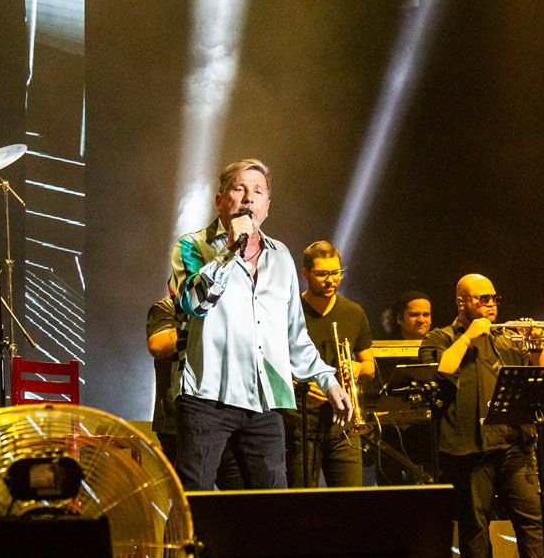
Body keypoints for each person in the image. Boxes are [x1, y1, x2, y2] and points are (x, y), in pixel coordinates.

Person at [168, 159, 352, 491]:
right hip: (206, 397)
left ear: (267, 206)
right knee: (193, 501)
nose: (249, 197)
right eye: (239, 188)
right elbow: (194, 304)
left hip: (263, 400)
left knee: (272, 505)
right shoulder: (192, 246)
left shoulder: (280, 256)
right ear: (221, 200)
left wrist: (329, 381)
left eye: (258, 191)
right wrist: (228, 251)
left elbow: (295, 335)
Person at [419, 274, 544, 558]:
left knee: (532, 521)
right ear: (462, 302)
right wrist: (467, 339)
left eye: (494, 298)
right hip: (466, 446)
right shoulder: (439, 337)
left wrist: (536, 354)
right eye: (482, 298)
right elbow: (438, 373)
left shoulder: (506, 342)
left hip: (513, 443)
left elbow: (539, 386)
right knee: (475, 525)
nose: (491, 304)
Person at [285, 241, 375, 488]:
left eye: (336, 272)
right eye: (322, 274)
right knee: (303, 506)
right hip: (300, 424)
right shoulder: (288, 312)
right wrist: (298, 385)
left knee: (350, 503)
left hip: (344, 423)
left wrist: (357, 368)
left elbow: (370, 366)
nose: (331, 280)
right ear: (305, 273)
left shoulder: (354, 312)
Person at [146, 292, 240, 489]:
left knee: (239, 494)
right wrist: (199, 323)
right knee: (191, 494)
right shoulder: (167, 307)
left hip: (225, 417)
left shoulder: (227, 309)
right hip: (179, 423)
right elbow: (158, 345)